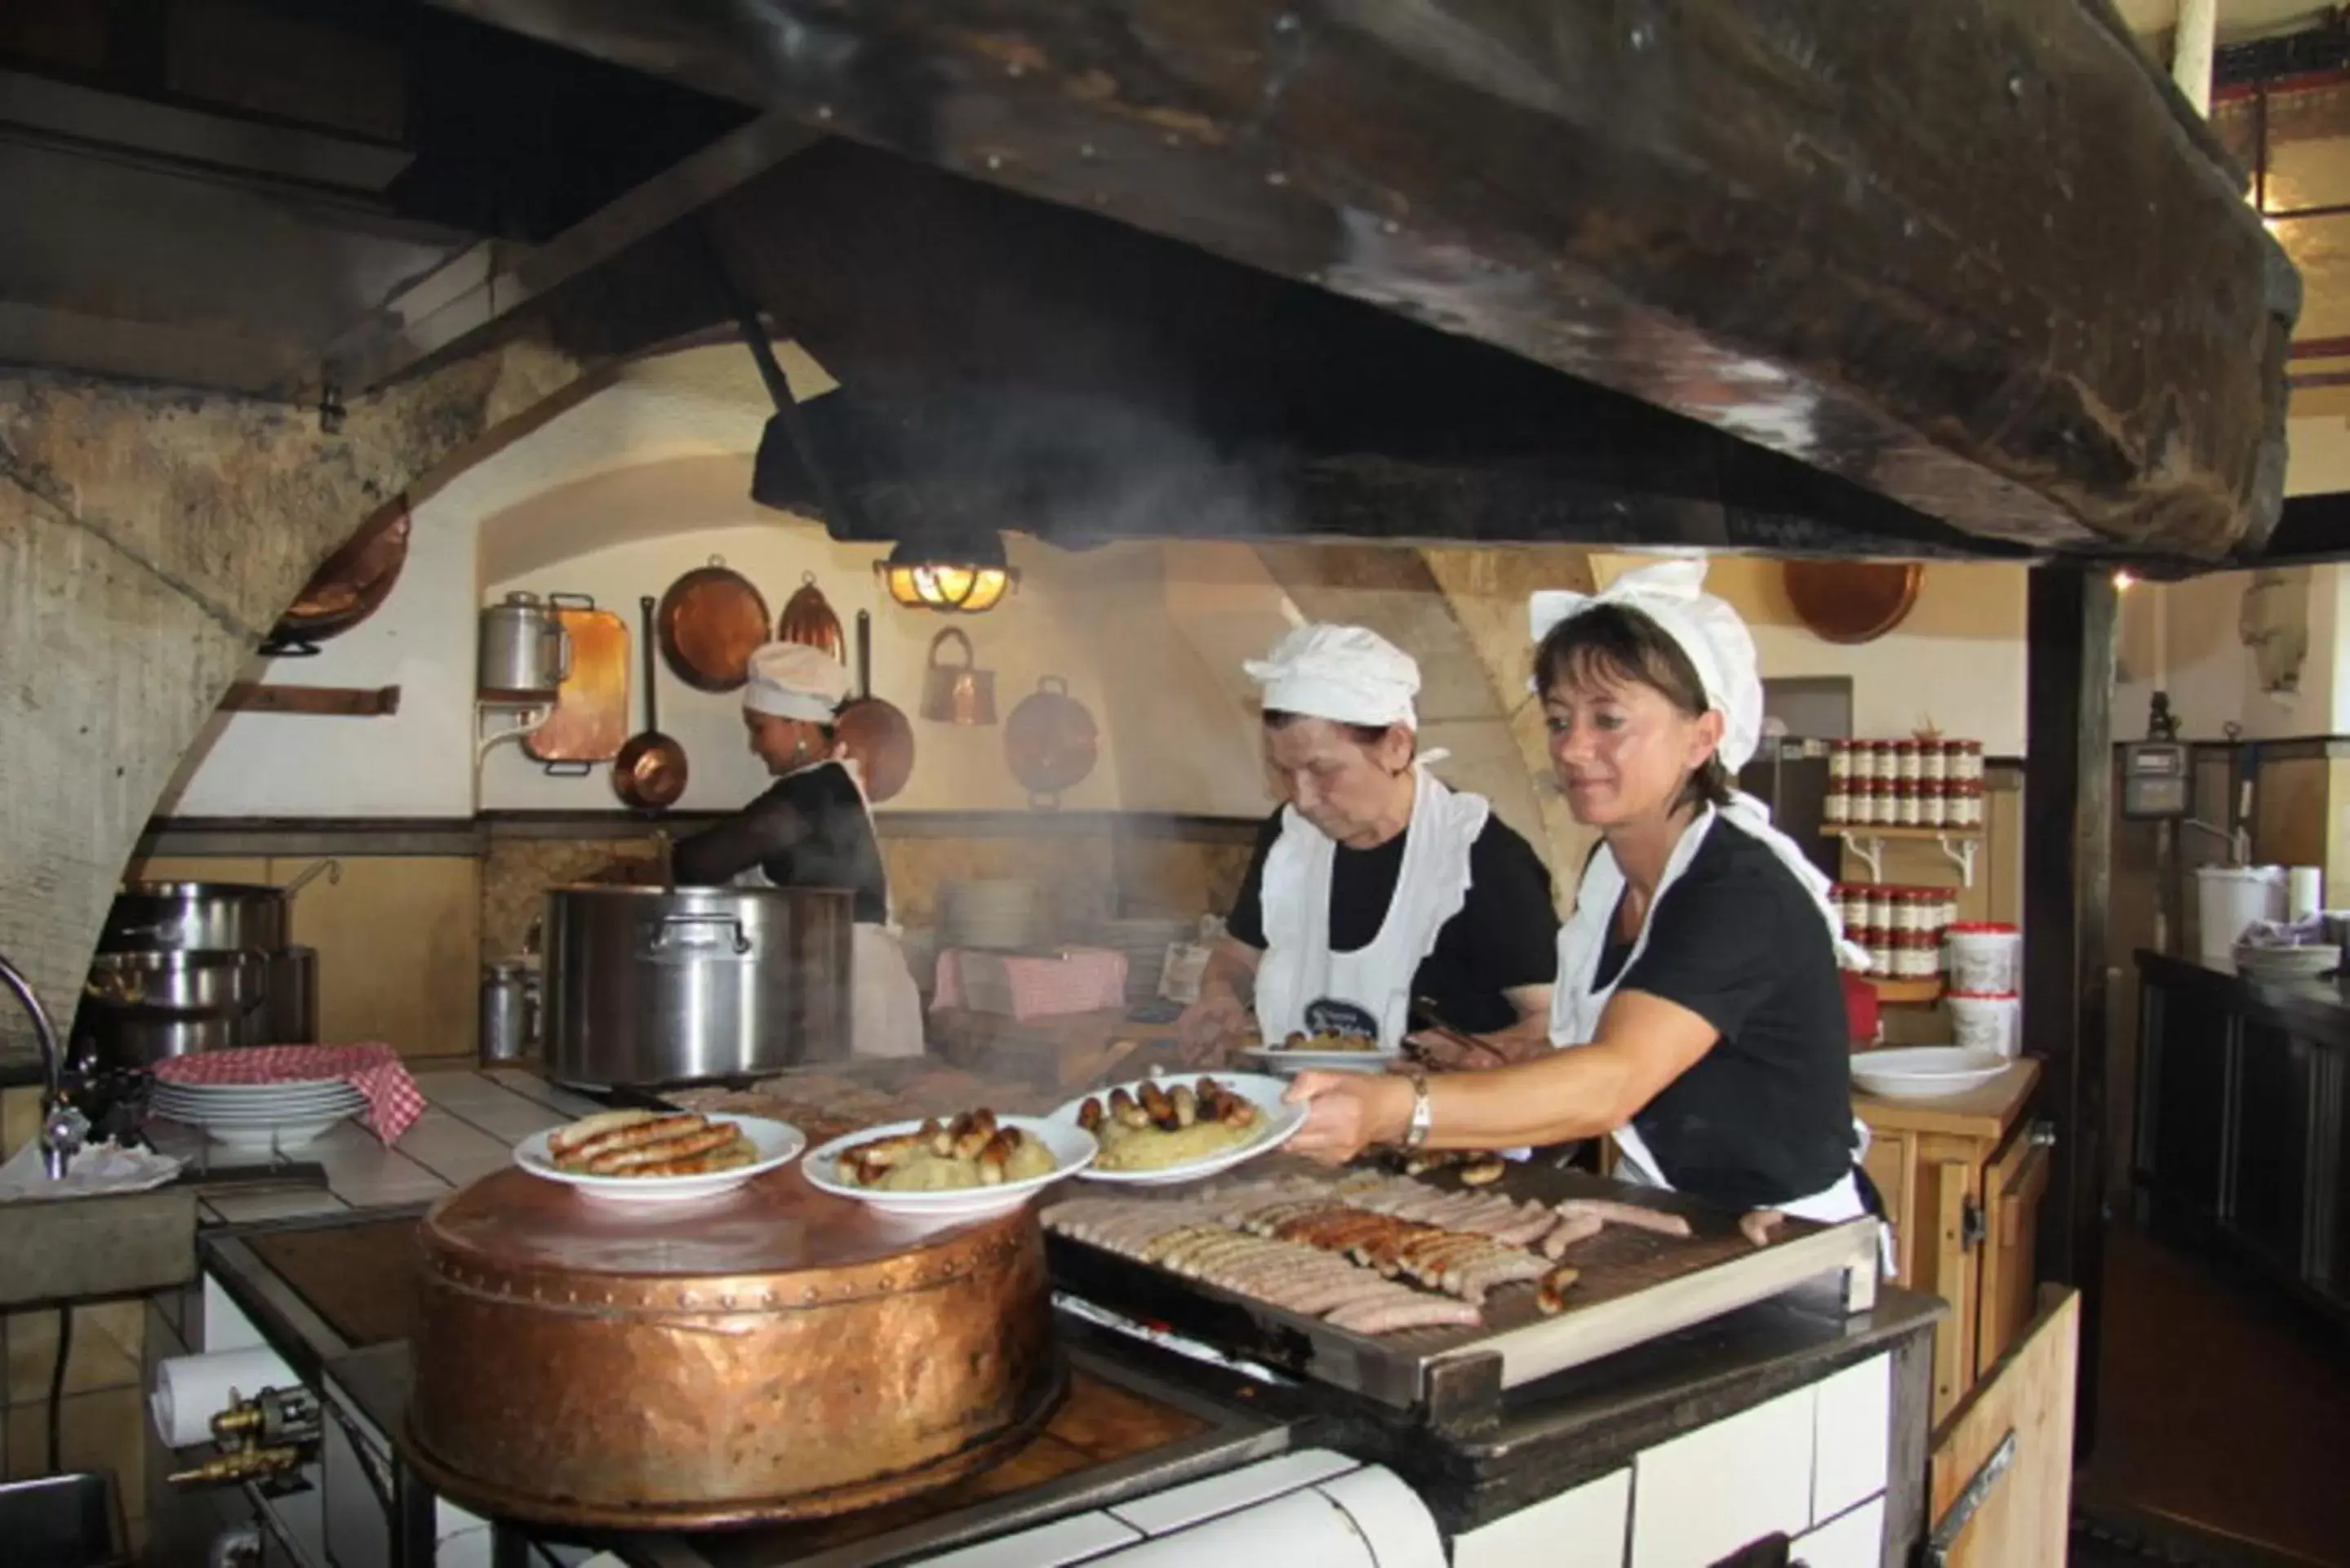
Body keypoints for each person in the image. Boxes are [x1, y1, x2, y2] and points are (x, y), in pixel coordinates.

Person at [1286, 559, 1881, 1227]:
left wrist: (1392, 1107)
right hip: (1675, 1220)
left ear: (1702, 736)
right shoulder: (1612, 871)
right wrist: (1514, 1056)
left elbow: (1614, 1081)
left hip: (1788, 1243)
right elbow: (1652, 1049)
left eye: (1608, 719)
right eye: (1560, 719)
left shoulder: (1737, 892)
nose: (1572, 748)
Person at [1175, 623, 1558, 1064]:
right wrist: (1220, 994)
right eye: (1284, 772)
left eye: (1323, 771)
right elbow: (1238, 954)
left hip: (1445, 1128)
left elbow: (1554, 1024)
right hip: (1307, 1117)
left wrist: (1470, 1053)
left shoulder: (1481, 858)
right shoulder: (1288, 839)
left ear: (1396, 746)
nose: (1302, 799)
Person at [672, 641, 925, 1057]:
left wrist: (633, 869)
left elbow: (699, 862)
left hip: (855, 994)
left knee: (862, 1112)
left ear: (798, 725)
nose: (755, 745)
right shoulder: (824, 783)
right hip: (839, 987)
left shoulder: (813, 790)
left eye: (759, 727)